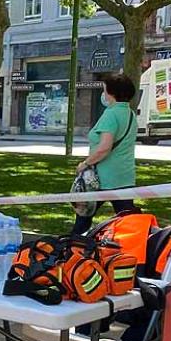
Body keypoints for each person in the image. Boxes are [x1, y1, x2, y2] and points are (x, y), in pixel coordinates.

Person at [72, 72, 138, 236]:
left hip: (102, 179)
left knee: (82, 221)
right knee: (128, 223)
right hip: (124, 176)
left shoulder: (110, 115)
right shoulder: (130, 114)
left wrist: (85, 164)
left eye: (105, 90)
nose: (103, 94)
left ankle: (72, 252)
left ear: (112, 93)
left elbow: (104, 148)